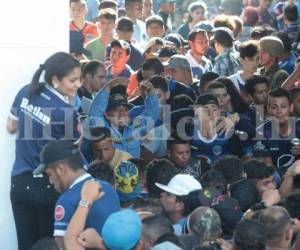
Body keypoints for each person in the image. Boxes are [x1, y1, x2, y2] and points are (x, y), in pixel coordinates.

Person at [7, 52, 81, 250]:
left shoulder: (26, 92)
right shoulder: (65, 111)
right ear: (55, 79)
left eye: (79, 79)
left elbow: (11, 126)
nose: (78, 85)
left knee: (26, 245)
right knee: (49, 246)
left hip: (19, 185)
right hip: (47, 186)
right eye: (72, 80)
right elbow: (71, 152)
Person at [33, 140, 120, 249]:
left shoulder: (65, 200)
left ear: (61, 169)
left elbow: (62, 246)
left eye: (49, 174)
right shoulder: (108, 187)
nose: (50, 181)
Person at [88, 78, 160, 158]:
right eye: (116, 109)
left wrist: (151, 94)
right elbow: (94, 114)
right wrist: (107, 87)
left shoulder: (135, 126)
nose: (122, 113)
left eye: (125, 109)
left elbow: (153, 113)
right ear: (106, 114)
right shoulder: (103, 130)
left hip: (135, 169)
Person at [253, 88, 300, 176]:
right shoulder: (261, 132)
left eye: (283, 106)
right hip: (277, 182)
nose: (279, 111)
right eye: (274, 107)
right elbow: (267, 170)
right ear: (268, 109)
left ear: (291, 107)